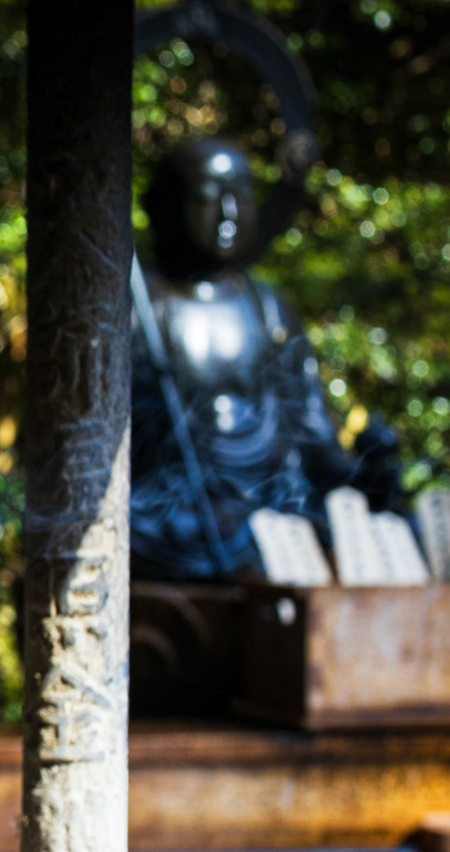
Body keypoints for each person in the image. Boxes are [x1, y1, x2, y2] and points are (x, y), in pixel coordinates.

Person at [132, 137, 398, 580]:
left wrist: (364, 473)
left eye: (240, 196)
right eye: (208, 197)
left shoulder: (267, 308)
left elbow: (312, 436)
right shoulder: (138, 304)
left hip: (270, 510)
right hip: (172, 518)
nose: (228, 214)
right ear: (164, 206)